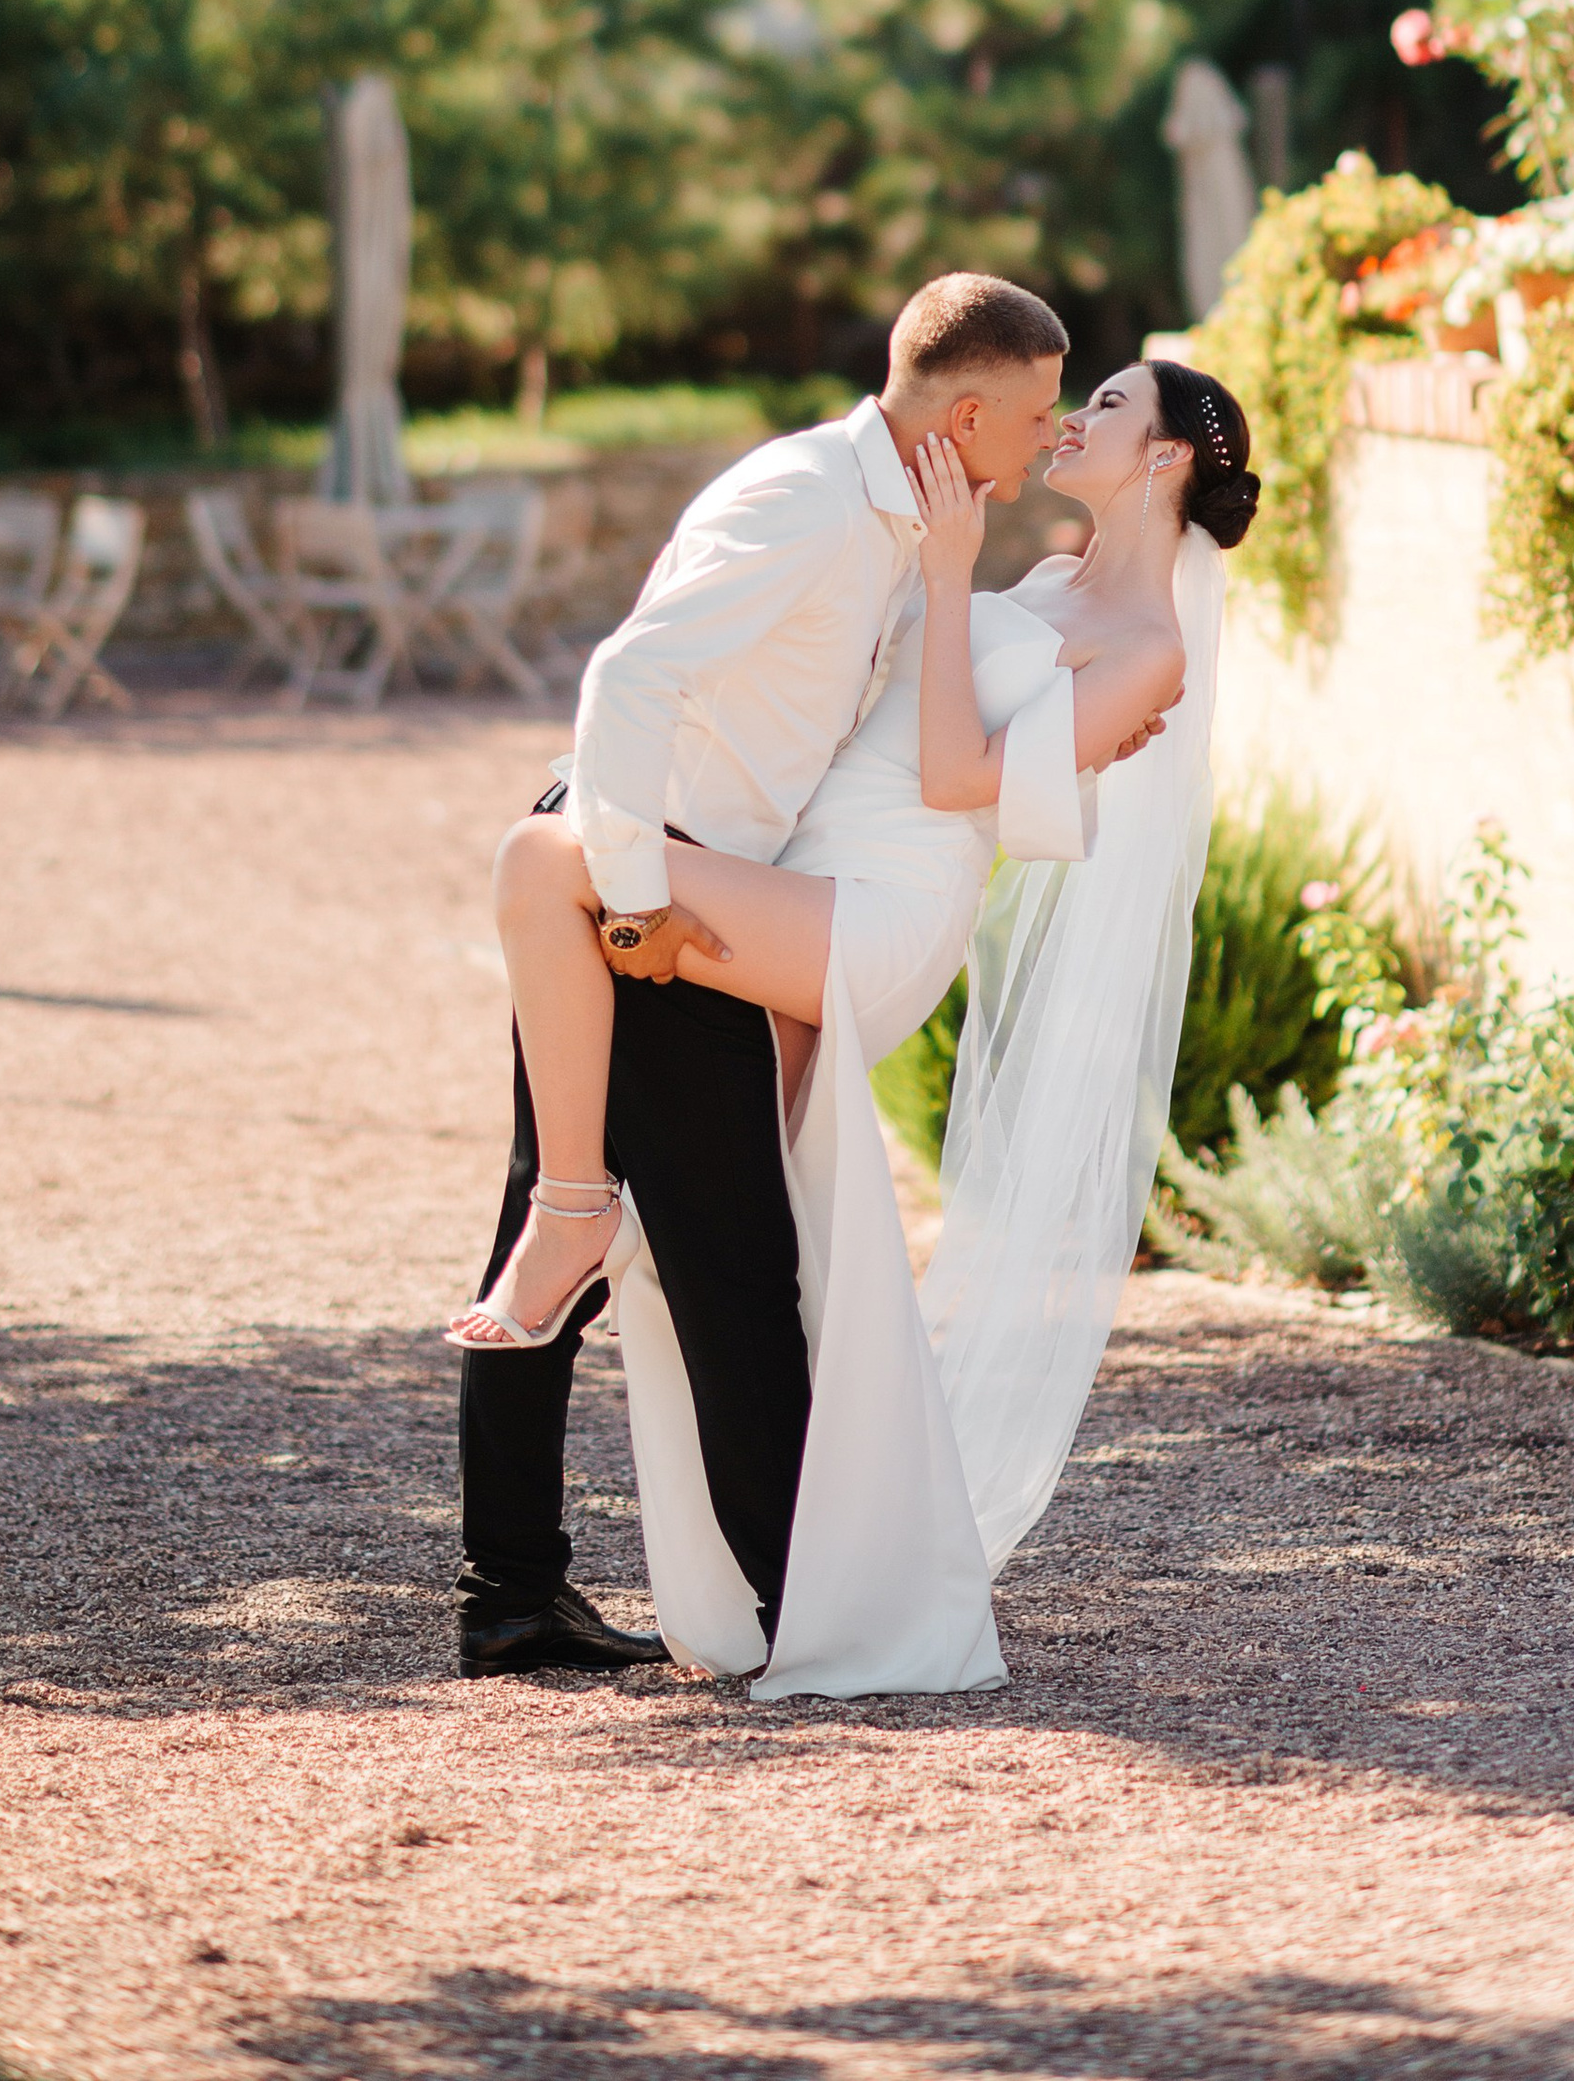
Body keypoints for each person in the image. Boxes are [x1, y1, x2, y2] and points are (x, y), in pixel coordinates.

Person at [456, 336, 1258, 1698]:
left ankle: (596, 1547)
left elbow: (955, 774)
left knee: (551, 864)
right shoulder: (1042, 580)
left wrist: (946, 583)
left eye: (1106, 405)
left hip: (872, 914)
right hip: (788, 880)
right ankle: (534, 1569)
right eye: (1063, 397)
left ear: (1168, 456)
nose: (1069, 423)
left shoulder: (1145, 649)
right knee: (626, 1179)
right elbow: (868, 702)